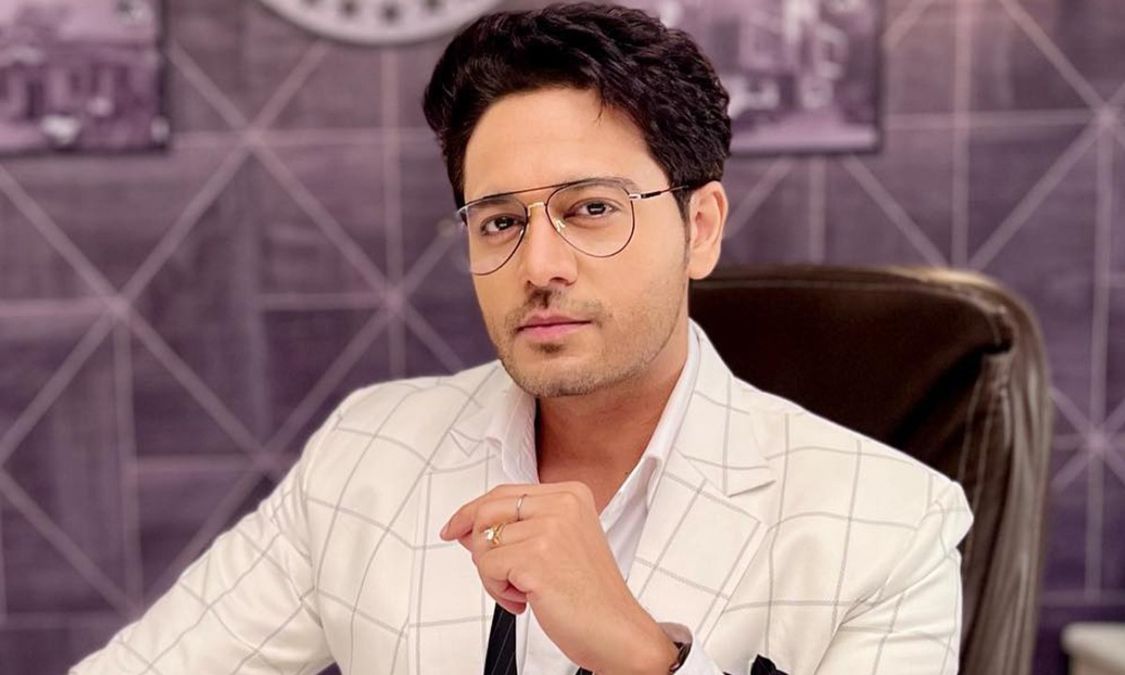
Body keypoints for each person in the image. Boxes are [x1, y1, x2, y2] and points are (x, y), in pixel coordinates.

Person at [71, 3, 972, 674]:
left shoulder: (886, 525)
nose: (539, 264)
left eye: (590, 209)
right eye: (500, 221)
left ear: (699, 229)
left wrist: (640, 656)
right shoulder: (368, 453)